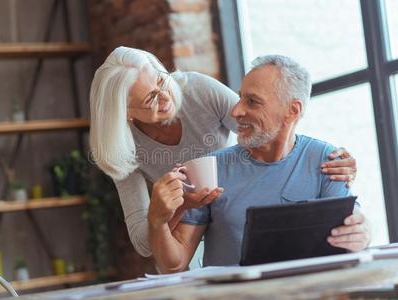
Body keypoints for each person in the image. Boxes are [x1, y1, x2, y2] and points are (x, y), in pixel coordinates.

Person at [89, 46, 358, 257]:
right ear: (125, 113)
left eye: (162, 80)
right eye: (150, 98)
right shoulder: (121, 148)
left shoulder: (198, 90)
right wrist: (176, 207)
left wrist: (323, 158)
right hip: (183, 234)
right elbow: (143, 243)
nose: (165, 96)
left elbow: (270, 129)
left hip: (231, 215)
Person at [148, 55, 371, 273]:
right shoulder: (211, 169)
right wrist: (158, 221)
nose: (236, 111)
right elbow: (173, 264)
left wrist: (361, 233)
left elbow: (348, 236)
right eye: (240, 98)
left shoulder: (328, 162)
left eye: (252, 101)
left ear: (292, 111)